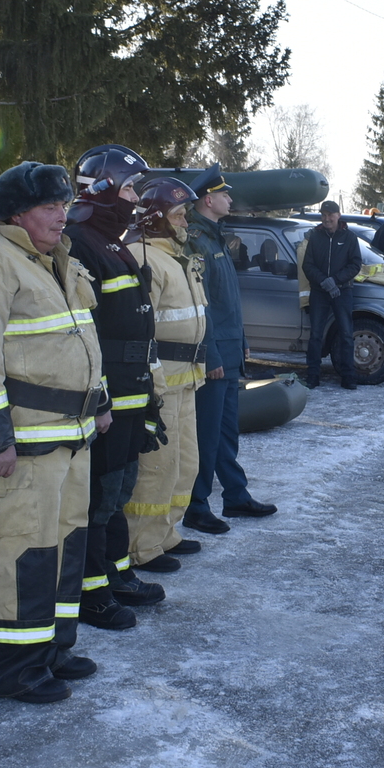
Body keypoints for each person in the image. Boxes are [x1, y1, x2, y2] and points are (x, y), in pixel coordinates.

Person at [0, 161, 108, 703]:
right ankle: (14, 668)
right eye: (49, 207)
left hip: (71, 438)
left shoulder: (59, 264)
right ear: (18, 214)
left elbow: (83, 340)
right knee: (21, 553)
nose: (62, 215)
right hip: (24, 446)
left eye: (64, 205)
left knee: (63, 546)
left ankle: (53, 650)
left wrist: (99, 404)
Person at [63, 145, 166, 631]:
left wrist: (148, 397)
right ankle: (92, 593)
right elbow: (87, 334)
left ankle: (117, 574)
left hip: (132, 393)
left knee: (119, 491)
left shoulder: (113, 243)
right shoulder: (79, 243)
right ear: (102, 190)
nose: (135, 199)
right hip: (106, 401)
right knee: (95, 500)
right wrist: (99, 399)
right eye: (128, 188)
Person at [183, 165, 277, 534]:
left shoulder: (215, 236)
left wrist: (240, 341)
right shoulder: (196, 240)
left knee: (226, 432)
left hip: (229, 348)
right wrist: (212, 355)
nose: (230, 199)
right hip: (214, 355)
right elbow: (200, 304)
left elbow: (227, 301)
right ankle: (196, 505)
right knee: (206, 434)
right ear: (208, 200)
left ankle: (236, 496)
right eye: (224, 194)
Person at [122, 176, 207, 574]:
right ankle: (143, 545)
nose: (186, 222)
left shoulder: (176, 257)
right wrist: (150, 384)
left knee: (185, 463)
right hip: (161, 384)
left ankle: (167, 532)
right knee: (157, 468)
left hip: (186, 380)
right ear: (156, 218)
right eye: (178, 214)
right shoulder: (142, 258)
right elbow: (140, 330)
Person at [301, 200, 362, 389]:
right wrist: (323, 281)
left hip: (342, 291)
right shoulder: (315, 237)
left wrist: (335, 280)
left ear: (338, 216)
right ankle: (313, 375)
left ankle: (348, 376)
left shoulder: (350, 237)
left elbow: (355, 264)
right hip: (319, 292)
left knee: (345, 334)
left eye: (330, 215)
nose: (327, 218)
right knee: (316, 335)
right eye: (324, 215)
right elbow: (307, 265)